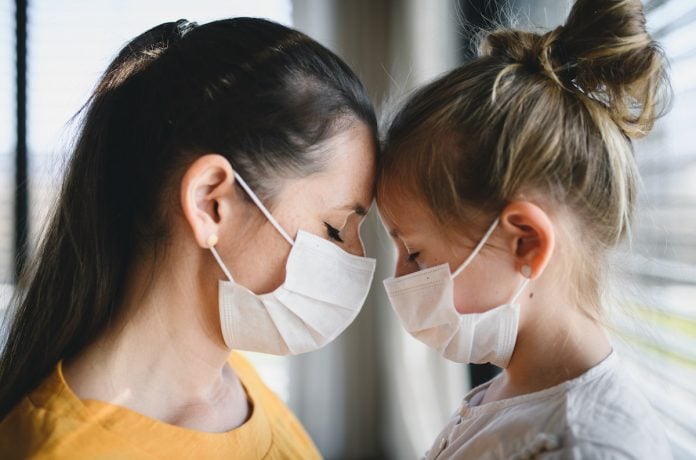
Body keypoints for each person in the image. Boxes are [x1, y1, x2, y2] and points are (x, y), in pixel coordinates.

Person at [0, 17, 378, 459]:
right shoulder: (62, 451)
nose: (357, 258)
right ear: (210, 203)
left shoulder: (238, 383)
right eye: (335, 228)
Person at [377, 0, 672, 458]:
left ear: (526, 242)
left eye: (414, 252)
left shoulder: (586, 447)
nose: (397, 279)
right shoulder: (506, 395)